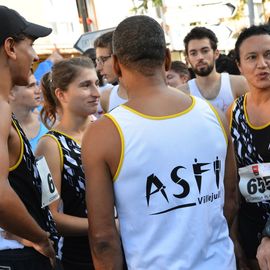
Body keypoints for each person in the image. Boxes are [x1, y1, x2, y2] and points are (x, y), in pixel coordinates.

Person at [81, 15, 238, 270]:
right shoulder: (215, 115)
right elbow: (230, 199)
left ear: (117, 65)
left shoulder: (104, 134)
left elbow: (103, 238)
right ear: (166, 58)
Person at [0, 5, 59, 270]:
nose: (35, 55)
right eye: (31, 44)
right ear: (10, 47)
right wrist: (39, 237)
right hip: (16, 254)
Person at [36, 57, 100, 270]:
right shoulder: (49, 146)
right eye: (85, 85)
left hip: (127, 249)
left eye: (97, 83)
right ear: (61, 94)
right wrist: (107, 226)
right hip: (81, 258)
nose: (96, 92)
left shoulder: (107, 129)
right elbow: (50, 216)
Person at [227, 24, 270, 270]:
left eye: (268, 55)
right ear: (239, 65)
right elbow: (231, 183)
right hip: (250, 234)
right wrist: (234, 240)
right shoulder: (234, 111)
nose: (262, 64)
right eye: (252, 57)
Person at [179, 26, 248, 112]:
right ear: (188, 59)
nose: (200, 57)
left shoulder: (239, 84)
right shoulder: (182, 94)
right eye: (193, 53)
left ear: (216, 53)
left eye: (205, 51)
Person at [9, 73, 48, 151]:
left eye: (37, 84)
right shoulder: (5, 131)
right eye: (30, 86)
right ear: (11, 93)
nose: (38, 90)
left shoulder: (46, 116)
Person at [94, 31, 128, 113]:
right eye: (98, 60)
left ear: (118, 57)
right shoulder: (106, 97)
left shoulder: (150, 94)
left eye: (103, 59)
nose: (98, 68)